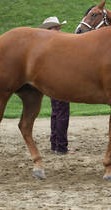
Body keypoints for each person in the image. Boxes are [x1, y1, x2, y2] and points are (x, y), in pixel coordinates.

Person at [39, 16, 74, 155]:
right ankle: (61, 147)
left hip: (51, 83)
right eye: (56, 28)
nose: (59, 30)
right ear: (49, 30)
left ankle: (55, 143)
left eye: (59, 27)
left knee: (56, 113)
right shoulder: (55, 45)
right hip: (60, 83)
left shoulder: (45, 45)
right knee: (62, 113)